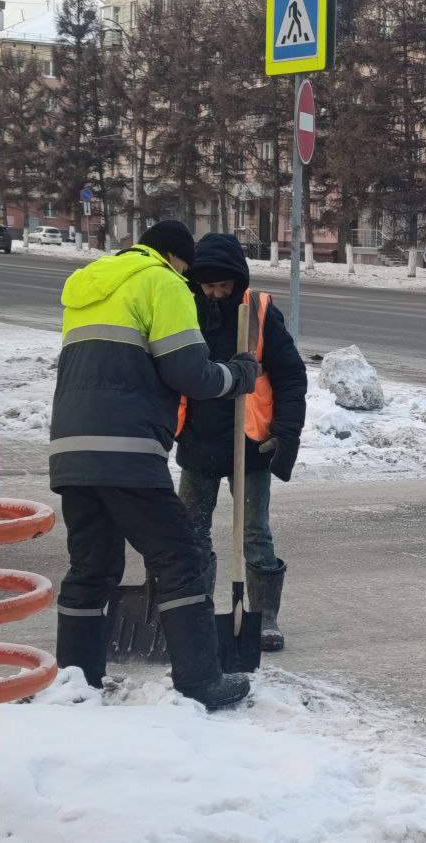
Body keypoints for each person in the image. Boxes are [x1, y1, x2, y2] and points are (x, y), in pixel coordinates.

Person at [49, 220, 261, 711]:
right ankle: (200, 681)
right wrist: (240, 373)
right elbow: (190, 372)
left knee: (92, 567)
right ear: (177, 258)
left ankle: (75, 682)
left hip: (71, 448)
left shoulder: (90, 286)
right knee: (180, 556)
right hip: (126, 447)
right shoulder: (162, 281)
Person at [175, 233, 307, 652]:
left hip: (248, 444)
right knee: (190, 533)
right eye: (207, 286)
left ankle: (263, 616)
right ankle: (192, 612)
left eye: (223, 286)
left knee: (254, 533)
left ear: (238, 280)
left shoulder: (260, 312)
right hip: (197, 442)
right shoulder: (185, 309)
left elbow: (290, 377)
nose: (215, 293)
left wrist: (287, 433)